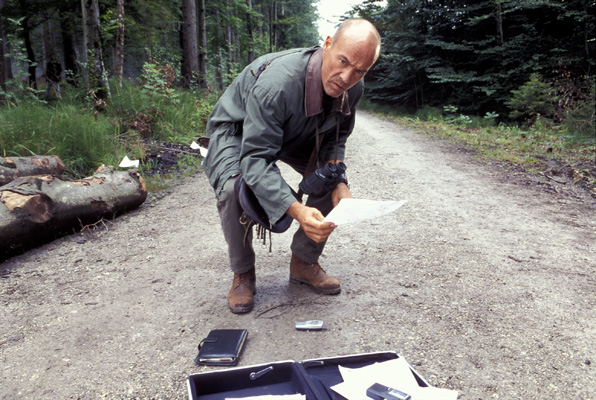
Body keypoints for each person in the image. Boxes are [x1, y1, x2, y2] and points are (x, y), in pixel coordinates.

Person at [203, 18, 381, 313]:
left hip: (298, 129)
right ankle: (243, 273)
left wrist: (340, 183)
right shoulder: (277, 86)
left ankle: (304, 262)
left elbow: (335, 141)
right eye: (343, 61)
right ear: (327, 45)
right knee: (234, 188)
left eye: (359, 70)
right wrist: (296, 210)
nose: (346, 77)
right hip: (238, 132)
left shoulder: (354, 87)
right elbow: (256, 158)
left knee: (329, 177)